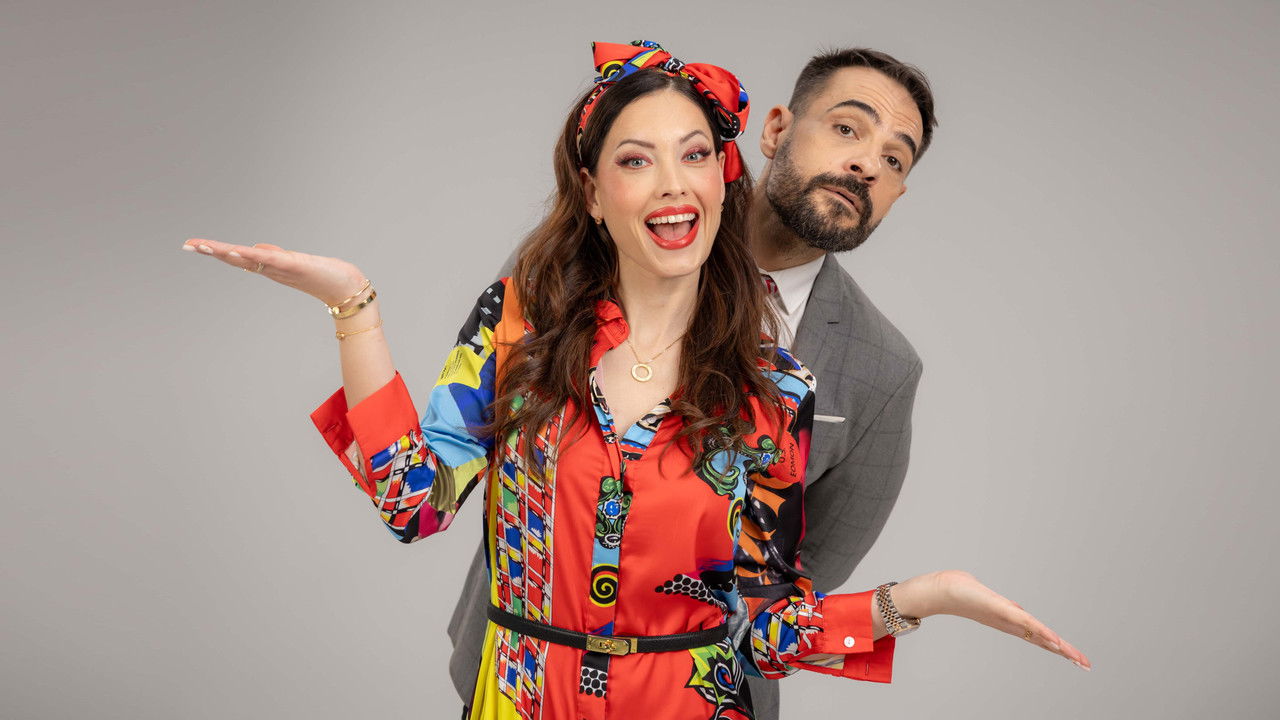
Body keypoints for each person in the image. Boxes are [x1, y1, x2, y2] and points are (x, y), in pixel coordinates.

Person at [182, 41, 1089, 720]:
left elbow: (765, 622)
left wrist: (922, 599)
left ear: (723, 178)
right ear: (591, 191)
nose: (672, 184)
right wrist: (354, 307)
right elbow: (413, 501)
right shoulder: (524, 316)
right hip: (517, 697)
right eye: (635, 159)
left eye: (694, 156)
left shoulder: (780, 389)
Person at [447, 47, 949, 720]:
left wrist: (916, 601)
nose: (866, 164)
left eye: (894, 159)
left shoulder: (883, 369)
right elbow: (466, 449)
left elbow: (797, 577)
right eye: (846, 128)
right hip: (523, 674)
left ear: (898, 193)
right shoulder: (569, 263)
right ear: (774, 130)